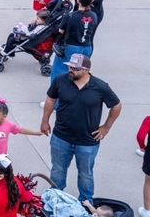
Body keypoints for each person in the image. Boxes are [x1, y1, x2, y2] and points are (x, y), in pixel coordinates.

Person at [41, 54, 121, 202]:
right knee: (57, 170)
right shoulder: (60, 80)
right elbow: (50, 99)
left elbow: (116, 105)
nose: (71, 70)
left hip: (87, 142)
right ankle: (55, 198)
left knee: (85, 174)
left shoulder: (100, 86)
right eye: (70, 67)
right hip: (61, 137)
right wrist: (45, 121)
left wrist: (106, 127)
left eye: (75, 68)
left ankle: (86, 201)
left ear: (86, 70)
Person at [0, 99, 43, 202]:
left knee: (4, 176)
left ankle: (3, 194)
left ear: (4, 115)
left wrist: (36, 133)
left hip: (2, 156)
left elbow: (20, 130)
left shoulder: (9, 125)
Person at [51, 0, 99, 79]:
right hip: (86, 47)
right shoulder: (94, 16)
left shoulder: (70, 16)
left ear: (78, 1)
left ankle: (57, 90)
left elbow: (60, 31)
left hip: (70, 47)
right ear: (92, 0)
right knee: (80, 72)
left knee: (60, 70)